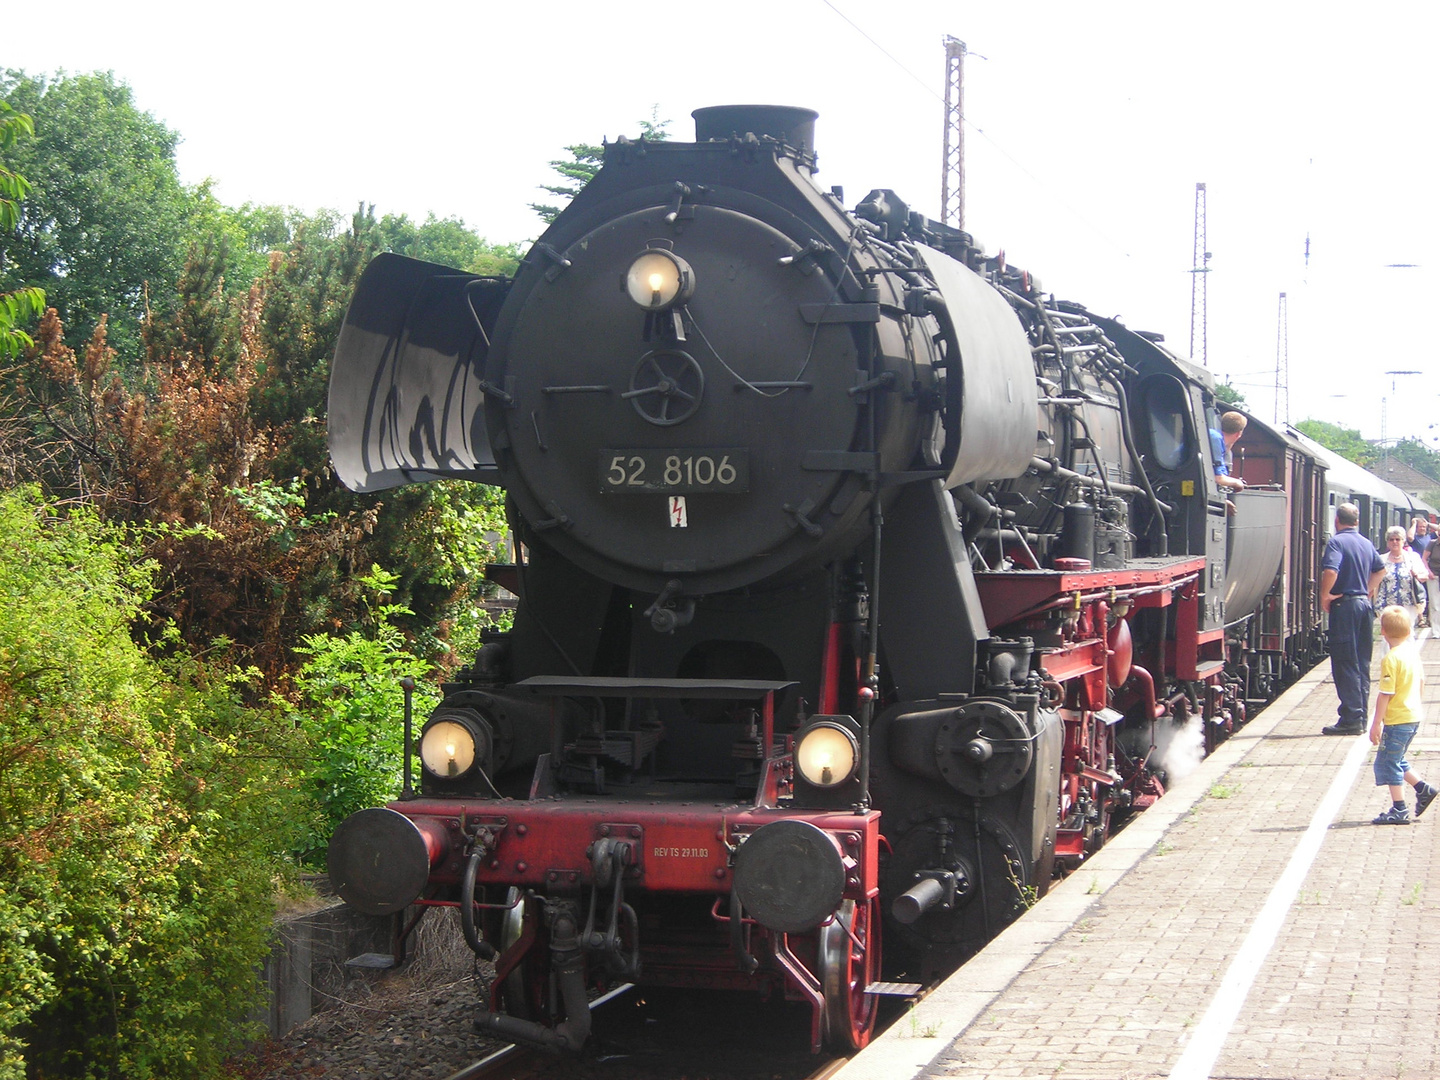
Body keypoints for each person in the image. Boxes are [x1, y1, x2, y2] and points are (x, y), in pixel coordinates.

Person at [1368, 605, 1438, 824]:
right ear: (1409, 632)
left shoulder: (1391, 658)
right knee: (1395, 758)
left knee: (1388, 762)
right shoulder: (1412, 653)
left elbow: (1385, 694)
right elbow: (1422, 682)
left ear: (1383, 632)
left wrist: (1376, 723)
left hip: (1398, 719)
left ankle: (1399, 809)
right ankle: (1422, 788)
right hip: (1412, 715)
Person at [1319, 502, 1385, 735]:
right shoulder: (1366, 543)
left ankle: (1351, 719)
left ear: (1337, 521)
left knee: (1345, 662)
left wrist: (1325, 595)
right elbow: (1380, 569)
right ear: (1357, 522)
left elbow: (1331, 570)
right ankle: (1361, 716)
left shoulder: (1337, 542)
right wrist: (1366, 590)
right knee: (1362, 663)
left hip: (1345, 606)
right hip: (1364, 607)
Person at [1373, 524, 1429, 650]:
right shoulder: (1381, 560)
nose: (1394, 542)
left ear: (1403, 541)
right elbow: (1374, 579)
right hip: (1387, 604)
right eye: (1391, 539)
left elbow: (1424, 575)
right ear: (1387, 542)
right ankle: (1388, 665)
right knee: (1388, 635)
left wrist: (1417, 574)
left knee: (1407, 633)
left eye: (1398, 539)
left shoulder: (1412, 557)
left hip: (1408, 603)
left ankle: (1408, 664)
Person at [1209, 411, 1247, 493]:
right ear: (1238, 434)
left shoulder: (1215, 437)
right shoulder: (1215, 439)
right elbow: (1218, 478)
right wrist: (1238, 483)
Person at [1408, 517, 1436, 627]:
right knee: (1418, 594)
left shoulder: (1430, 537)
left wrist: (1428, 523)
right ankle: (1420, 619)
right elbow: (1409, 537)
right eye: (1421, 527)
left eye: (1424, 527)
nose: (1422, 529)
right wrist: (1414, 523)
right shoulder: (1415, 538)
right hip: (1417, 569)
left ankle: (1429, 618)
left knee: (1430, 595)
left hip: (1429, 569)